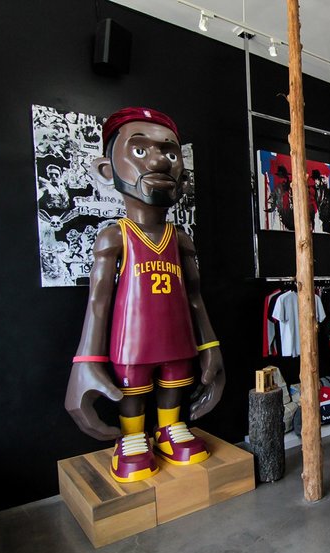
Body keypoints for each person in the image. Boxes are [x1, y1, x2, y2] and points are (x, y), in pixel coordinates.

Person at [65, 107, 225, 483]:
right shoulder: (115, 237)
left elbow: (195, 298)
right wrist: (85, 361)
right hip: (131, 342)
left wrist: (210, 346)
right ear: (107, 170)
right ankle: (133, 436)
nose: (158, 161)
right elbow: (98, 302)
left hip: (178, 338)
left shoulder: (180, 240)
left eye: (169, 153)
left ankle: (169, 429)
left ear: (182, 175)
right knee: (131, 390)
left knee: (176, 383)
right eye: (140, 151)